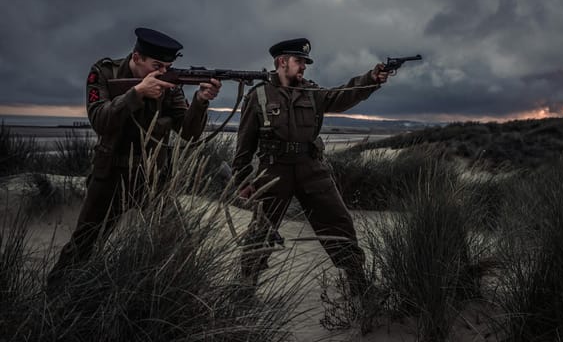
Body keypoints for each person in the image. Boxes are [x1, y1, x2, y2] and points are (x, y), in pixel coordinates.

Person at [47, 27, 221, 287]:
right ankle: (55, 293)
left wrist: (201, 100)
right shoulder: (105, 73)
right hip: (111, 175)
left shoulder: (169, 84)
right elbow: (100, 120)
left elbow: (189, 133)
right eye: (157, 65)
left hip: (154, 177)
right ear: (137, 57)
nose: (163, 72)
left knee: (179, 242)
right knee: (85, 242)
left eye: (168, 66)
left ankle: (177, 299)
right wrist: (137, 93)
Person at [232, 37, 390, 296]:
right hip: (273, 171)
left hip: (311, 168)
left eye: (305, 62)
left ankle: (358, 283)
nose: (303, 66)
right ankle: (246, 287)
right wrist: (242, 179)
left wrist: (371, 79)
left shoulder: (312, 92)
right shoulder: (258, 95)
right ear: (282, 62)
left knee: (338, 222)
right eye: (299, 61)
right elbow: (244, 143)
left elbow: (342, 96)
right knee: (261, 230)